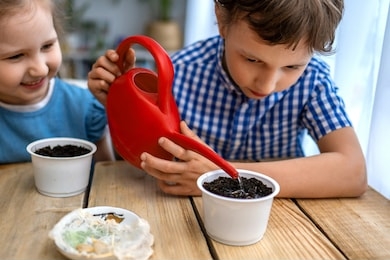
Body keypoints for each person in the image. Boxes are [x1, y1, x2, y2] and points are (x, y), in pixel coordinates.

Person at [88, 0, 367, 198]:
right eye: (252, 58)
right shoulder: (180, 73)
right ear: (222, 19)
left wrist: (218, 175)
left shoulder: (314, 80)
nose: (268, 84)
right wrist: (120, 104)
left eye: (292, 67)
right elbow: (139, 162)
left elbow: (353, 172)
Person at [0, 0, 115, 164]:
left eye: (47, 46)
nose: (41, 70)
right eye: (16, 56)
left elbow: (107, 179)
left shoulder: (84, 108)